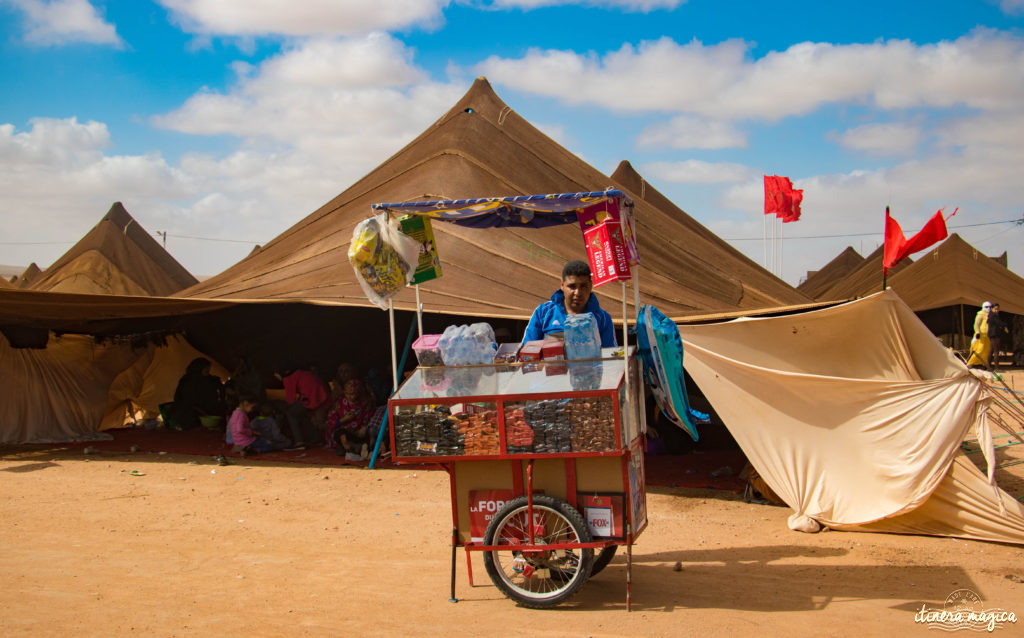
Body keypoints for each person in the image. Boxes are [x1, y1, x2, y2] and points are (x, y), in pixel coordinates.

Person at [522, 260, 617, 347]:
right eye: (572, 286)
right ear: (562, 285)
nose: (578, 293)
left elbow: (611, 358)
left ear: (591, 285)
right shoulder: (543, 312)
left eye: (583, 286)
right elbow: (527, 353)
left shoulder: (603, 318)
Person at [275, 365, 330, 450]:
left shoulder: (288, 378)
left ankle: (299, 442)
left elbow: (290, 400)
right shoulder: (300, 373)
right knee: (300, 413)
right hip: (322, 394)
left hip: (313, 397)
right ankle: (316, 438)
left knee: (291, 413)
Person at [171, 357, 226, 430]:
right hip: (189, 411)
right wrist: (202, 412)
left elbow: (215, 388)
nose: (208, 372)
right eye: (206, 370)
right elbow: (187, 401)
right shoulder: (188, 381)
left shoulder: (207, 379)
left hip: (203, 410)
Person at [325, 378, 373, 459]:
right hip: (343, 431)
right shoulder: (339, 403)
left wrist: (365, 428)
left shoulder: (365, 403)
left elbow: (371, 418)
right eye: (347, 394)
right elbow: (330, 422)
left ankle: (354, 448)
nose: (350, 397)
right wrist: (343, 420)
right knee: (342, 435)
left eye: (353, 394)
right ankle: (350, 447)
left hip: (359, 433)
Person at [966, 302, 991, 369]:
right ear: (983, 307)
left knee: (986, 351)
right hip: (981, 336)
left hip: (987, 336)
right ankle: (971, 363)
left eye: (989, 307)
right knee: (979, 350)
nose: (988, 308)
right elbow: (976, 324)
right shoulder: (980, 314)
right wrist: (977, 332)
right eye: (986, 307)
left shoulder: (991, 315)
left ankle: (982, 364)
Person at [988, 303, 1009, 370]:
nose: (997, 310)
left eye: (998, 309)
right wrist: (1005, 325)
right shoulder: (993, 316)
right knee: (996, 351)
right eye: (995, 309)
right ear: (992, 309)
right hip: (995, 334)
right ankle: (996, 367)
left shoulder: (992, 315)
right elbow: (999, 322)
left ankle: (988, 367)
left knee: (991, 350)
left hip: (993, 334)